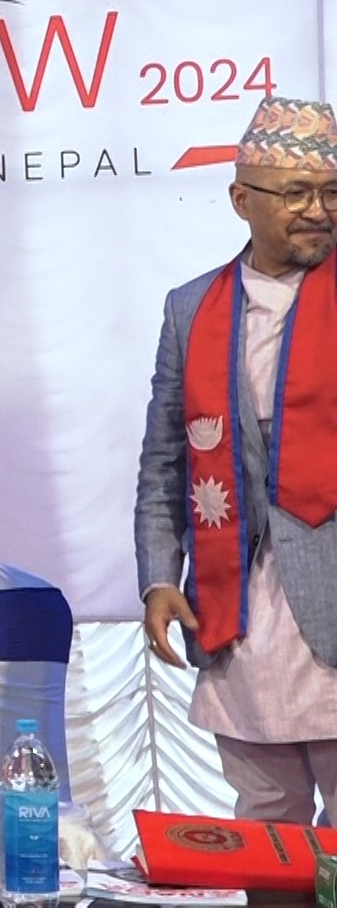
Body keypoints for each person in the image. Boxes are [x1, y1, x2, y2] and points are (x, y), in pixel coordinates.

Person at [136, 95, 337, 824]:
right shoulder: (192, 308)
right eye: (296, 194)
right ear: (241, 200)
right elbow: (165, 461)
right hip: (241, 606)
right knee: (267, 819)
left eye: (331, 193)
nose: (318, 211)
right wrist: (160, 577)